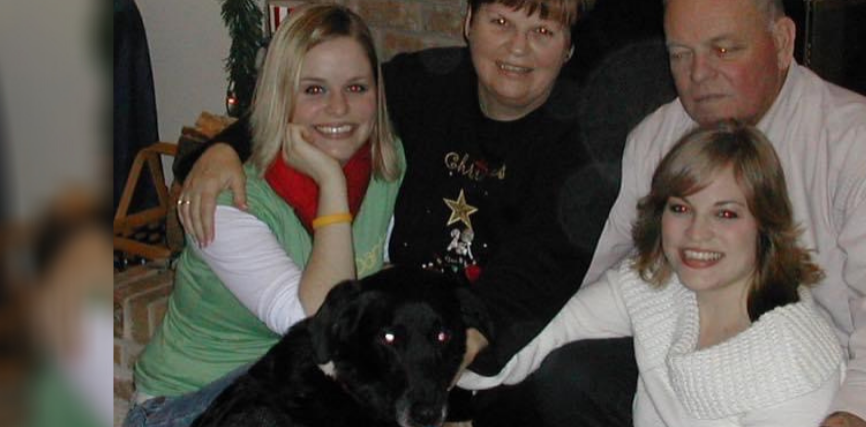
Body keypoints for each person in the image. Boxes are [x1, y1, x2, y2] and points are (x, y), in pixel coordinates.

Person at [171, 0, 605, 425]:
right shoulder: (427, 84)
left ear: (569, 47)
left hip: (453, 353)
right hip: (240, 389)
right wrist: (220, 151)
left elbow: (538, 274)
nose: (517, 47)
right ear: (469, 22)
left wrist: (445, 360)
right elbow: (311, 99)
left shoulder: (581, 142)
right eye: (500, 22)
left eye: (543, 32)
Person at [579, 0, 866, 425]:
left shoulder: (859, 144)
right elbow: (614, 267)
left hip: (821, 384)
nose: (698, 75)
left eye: (724, 50)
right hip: (684, 373)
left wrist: (856, 412)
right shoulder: (655, 139)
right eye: (680, 54)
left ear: (783, 44)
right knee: (569, 370)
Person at [126, 6, 405, 427]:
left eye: (356, 87)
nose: (339, 108)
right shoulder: (227, 202)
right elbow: (318, 329)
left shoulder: (386, 167)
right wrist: (331, 184)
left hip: (289, 390)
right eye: (313, 90)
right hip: (190, 404)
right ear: (280, 95)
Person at [460, 124, 846, 426]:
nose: (697, 232)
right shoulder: (659, 284)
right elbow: (548, 326)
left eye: (726, 213)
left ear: (765, 223)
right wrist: (453, 361)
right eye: (681, 208)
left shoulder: (794, 367)